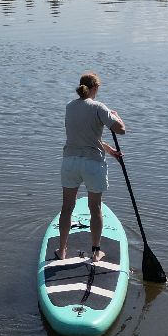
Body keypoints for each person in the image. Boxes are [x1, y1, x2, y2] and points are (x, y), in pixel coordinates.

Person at [58, 71, 126, 263]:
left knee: (67, 207)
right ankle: (96, 253)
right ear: (95, 88)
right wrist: (116, 117)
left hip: (70, 162)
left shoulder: (69, 107)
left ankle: (61, 251)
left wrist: (109, 150)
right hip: (93, 164)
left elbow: (84, 137)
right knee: (95, 208)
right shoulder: (98, 107)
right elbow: (121, 131)